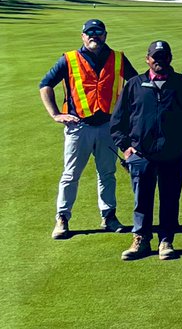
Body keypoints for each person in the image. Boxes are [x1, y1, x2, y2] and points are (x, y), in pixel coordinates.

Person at [39, 18, 137, 239]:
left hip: (108, 127)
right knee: (71, 174)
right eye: (89, 32)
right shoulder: (69, 59)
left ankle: (109, 216)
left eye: (98, 32)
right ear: (83, 36)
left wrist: (127, 117)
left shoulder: (118, 58)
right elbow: (45, 85)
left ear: (105, 35)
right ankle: (62, 218)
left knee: (107, 174)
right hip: (78, 126)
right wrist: (56, 114)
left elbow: (135, 85)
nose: (94, 36)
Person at [111, 40, 182, 261]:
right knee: (141, 199)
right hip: (141, 155)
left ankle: (166, 240)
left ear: (170, 58)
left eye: (163, 57)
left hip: (173, 155)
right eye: (155, 57)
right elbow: (118, 121)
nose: (159, 61)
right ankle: (141, 239)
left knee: (170, 198)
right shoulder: (134, 85)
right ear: (147, 59)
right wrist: (126, 148)